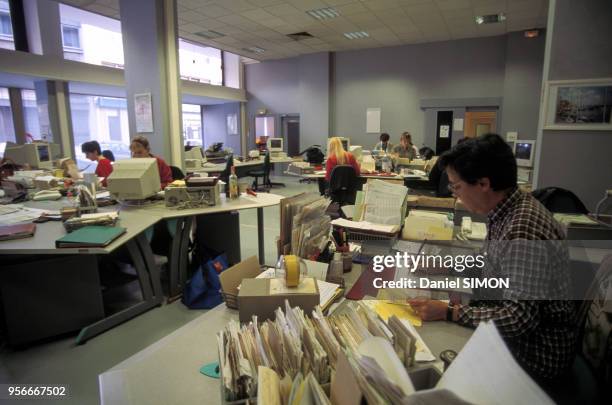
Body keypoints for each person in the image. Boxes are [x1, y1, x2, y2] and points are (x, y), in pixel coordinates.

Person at [409, 134, 576, 386]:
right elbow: (489, 263)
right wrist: (445, 266)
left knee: (429, 359)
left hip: (534, 358)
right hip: (516, 341)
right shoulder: (506, 210)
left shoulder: (523, 229)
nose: (455, 196)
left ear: (484, 183)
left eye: (456, 187)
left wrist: (450, 312)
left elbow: (518, 318)